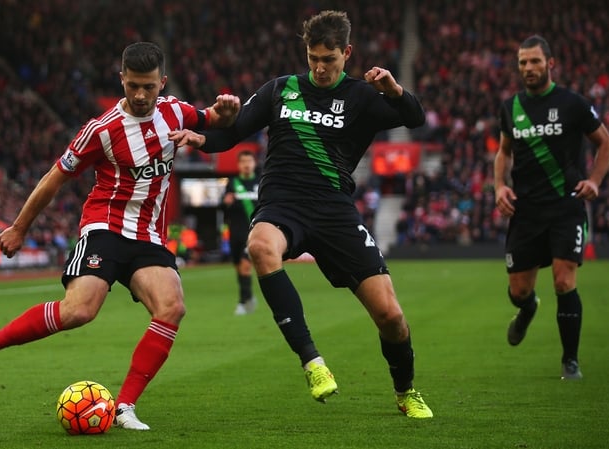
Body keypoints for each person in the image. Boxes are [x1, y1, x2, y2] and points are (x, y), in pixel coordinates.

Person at [0, 42, 240, 431]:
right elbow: (54, 179)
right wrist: (19, 227)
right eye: (132, 85)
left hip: (148, 236)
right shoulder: (100, 131)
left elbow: (211, 119)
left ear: (162, 83)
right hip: (105, 227)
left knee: (172, 307)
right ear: (121, 79)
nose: (139, 94)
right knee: (79, 311)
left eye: (148, 87)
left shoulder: (175, 111)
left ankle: (124, 407)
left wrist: (226, 112)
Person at [169, 10, 432, 418]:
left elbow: (414, 119)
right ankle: (312, 362)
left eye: (329, 59)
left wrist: (395, 90)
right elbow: (235, 132)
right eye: (313, 58)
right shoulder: (281, 89)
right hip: (282, 202)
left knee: (391, 316)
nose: (320, 67)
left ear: (347, 53)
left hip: (334, 211)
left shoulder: (362, 96)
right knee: (259, 246)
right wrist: (201, 138)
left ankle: (406, 390)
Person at [494, 35, 609, 380]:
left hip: (566, 206)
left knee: (564, 282)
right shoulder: (510, 108)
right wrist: (501, 185)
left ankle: (570, 361)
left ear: (551, 64)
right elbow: (504, 151)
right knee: (519, 291)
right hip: (526, 210)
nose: (528, 68)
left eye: (534, 61)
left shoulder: (573, 104)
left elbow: (604, 143)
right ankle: (528, 308)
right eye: (522, 63)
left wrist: (594, 181)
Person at [222, 150, 259, 315]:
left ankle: (243, 303)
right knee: (238, 267)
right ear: (238, 165)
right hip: (235, 232)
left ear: (254, 163)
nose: (246, 164)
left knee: (245, 267)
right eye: (243, 161)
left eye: (249, 161)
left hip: (253, 232)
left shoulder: (261, 182)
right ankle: (249, 296)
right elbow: (222, 208)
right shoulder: (232, 183)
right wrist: (225, 203)